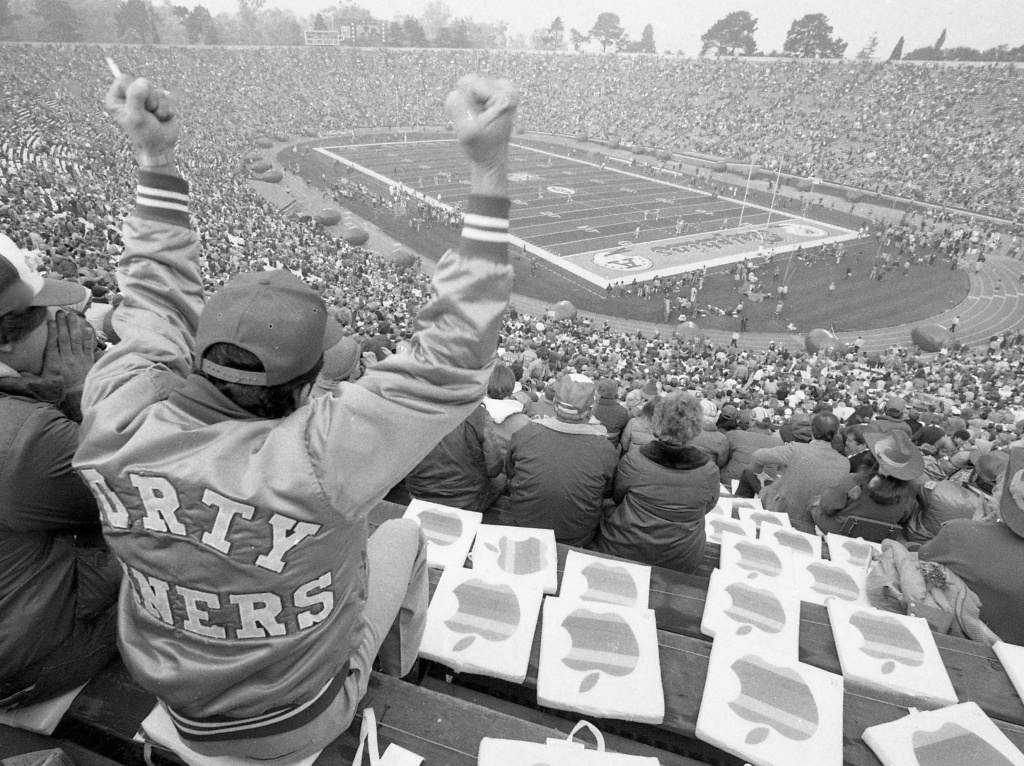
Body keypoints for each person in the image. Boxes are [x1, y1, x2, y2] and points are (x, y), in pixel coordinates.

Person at [74, 73, 518, 759]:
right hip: (296, 718)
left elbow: (150, 300)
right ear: (311, 384)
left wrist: (156, 160)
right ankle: (398, 687)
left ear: (194, 355)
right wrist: (489, 169)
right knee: (400, 535)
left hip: (173, 693)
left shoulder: (115, 410)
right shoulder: (320, 458)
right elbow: (453, 362)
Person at [0, 242, 121, 710]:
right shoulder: (25, 439)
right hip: (27, 666)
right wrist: (80, 393)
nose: (59, 325)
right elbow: (138, 492)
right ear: (7, 339)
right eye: (47, 313)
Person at [590, 392, 720, 573]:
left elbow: (617, 496)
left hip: (625, 547)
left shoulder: (634, 461)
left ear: (657, 421)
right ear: (696, 427)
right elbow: (708, 506)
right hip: (680, 556)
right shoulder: (709, 471)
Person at [918, 447, 1024, 644]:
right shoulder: (963, 532)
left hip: (945, 643)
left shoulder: (959, 532)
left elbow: (921, 559)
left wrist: (977, 527)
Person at [503, 374, 617, 547]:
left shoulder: (527, 432)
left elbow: (510, 473)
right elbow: (607, 492)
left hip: (523, 525)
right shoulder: (605, 448)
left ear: (555, 403)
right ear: (592, 410)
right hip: (575, 535)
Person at [812, 431, 923, 542]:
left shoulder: (854, 480)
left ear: (873, 457)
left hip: (838, 531)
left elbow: (828, 506)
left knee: (812, 503)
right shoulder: (909, 492)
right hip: (876, 538)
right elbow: (904, 518)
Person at [749, 412, 849, 533]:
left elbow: (757, 456)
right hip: (814, 521)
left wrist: (760, 474)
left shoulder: (796, 449)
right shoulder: (845, 463)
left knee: (748, 474)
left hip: (782, 512)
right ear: (836, 433)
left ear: (811, 429)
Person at [592, 377, 630, 450]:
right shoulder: (622, 411)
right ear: (615, 392)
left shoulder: (588, 407)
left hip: (588, 445)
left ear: (597, 391)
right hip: (611, 447)